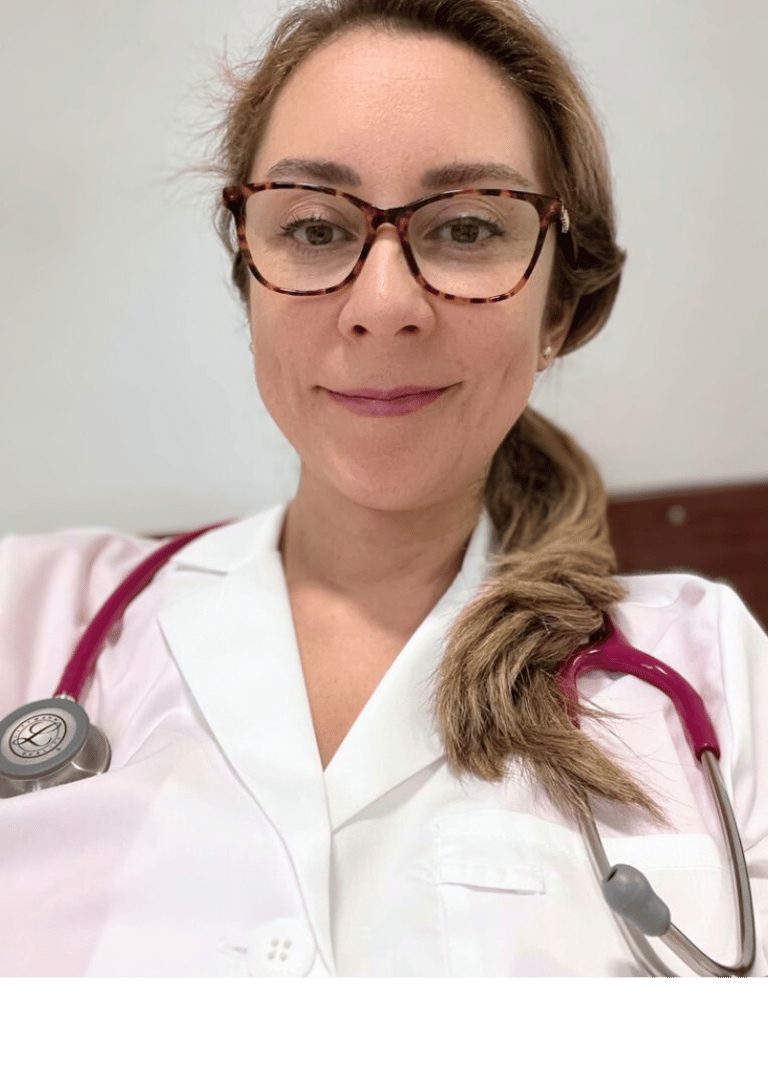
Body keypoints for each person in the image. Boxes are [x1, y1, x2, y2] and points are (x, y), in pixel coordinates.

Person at [0, 0, 766, 978]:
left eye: (469, 228)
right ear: (250, 278)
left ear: (559, 307)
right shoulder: (27, 617)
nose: (384, 305)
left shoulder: (717, 682)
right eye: (316, 228)